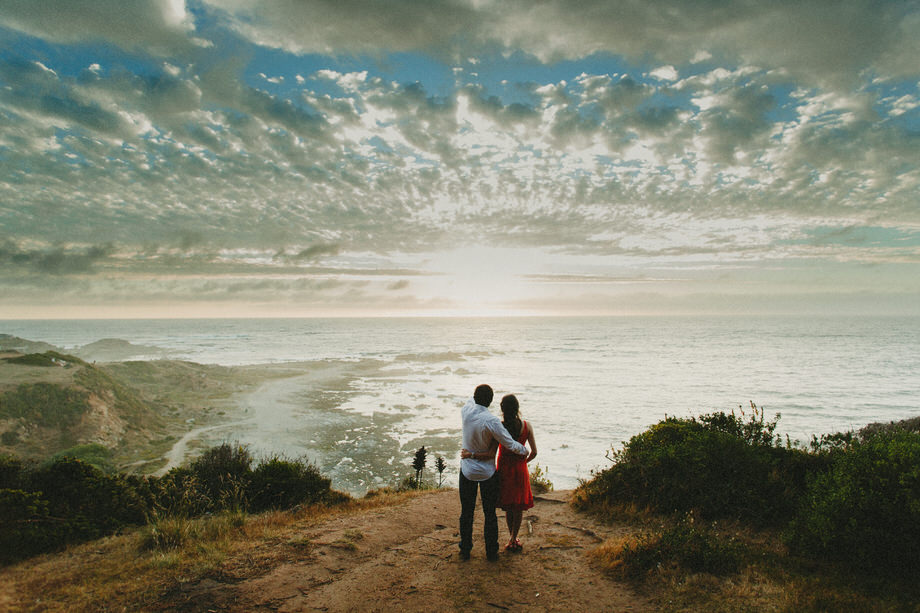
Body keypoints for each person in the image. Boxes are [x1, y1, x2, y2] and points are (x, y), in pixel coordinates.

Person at [458, 384, 527, 561]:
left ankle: (465, 549)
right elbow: (509, 443)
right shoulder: (492, 421)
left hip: (467, 471)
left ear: (475, 397)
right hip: (487, 473)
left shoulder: (466, 411)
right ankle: (491, 551)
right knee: (490, 513)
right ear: (490, 402)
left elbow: (470, 399)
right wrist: (524, 451)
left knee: (467, 511)